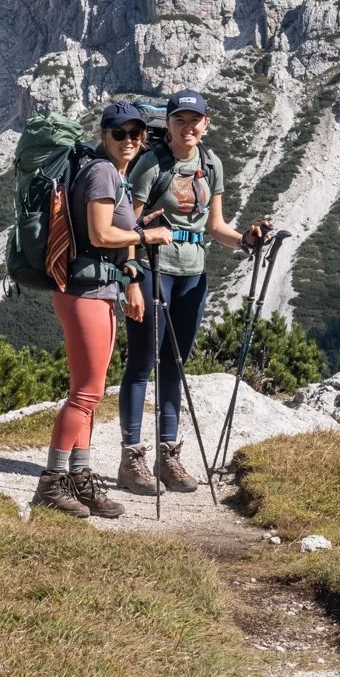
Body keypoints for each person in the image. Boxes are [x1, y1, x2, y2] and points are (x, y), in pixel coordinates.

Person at [117, 89, 269, 495]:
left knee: (176, 364)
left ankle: (168, 456)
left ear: (206, 124)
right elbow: (128, 228)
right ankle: (131, 458)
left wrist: (245, 242)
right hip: (153, 269)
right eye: (179, 120)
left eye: (194, 120)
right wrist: (130, 279)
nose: (188, 127)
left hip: (193, 274)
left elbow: (215, 225)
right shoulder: (150, 165)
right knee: (142, 361)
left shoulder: (211, 163)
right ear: (167, 124)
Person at [32, 101, 158, 518]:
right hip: (84, 293)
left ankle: (82, 478)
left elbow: (109, 239)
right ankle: (51, 483)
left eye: (136, 134)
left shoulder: (114, 175)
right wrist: (147, 233)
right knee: (84, 393)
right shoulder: (103, 172)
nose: (128, 141)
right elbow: (102, 232)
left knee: (92, 391)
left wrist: (130, 273)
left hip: (98, 290)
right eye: (119, 133)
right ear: (104, 135)